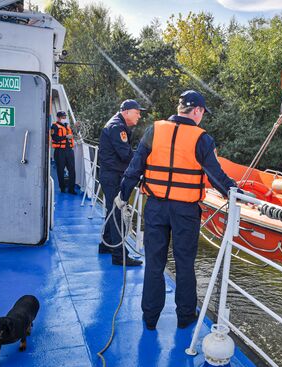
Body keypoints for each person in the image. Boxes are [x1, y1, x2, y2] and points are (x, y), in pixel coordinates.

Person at [117, 90, 238, 330]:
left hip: (155, 208)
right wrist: (234, 191)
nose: (202, 117)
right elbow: (216, 176)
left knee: (154, 263)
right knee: (184, 263)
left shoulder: (154, 130)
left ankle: (150, 318)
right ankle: (185, 317)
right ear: (197, 111)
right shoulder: (201, 138)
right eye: (202, 112)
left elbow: (134, 167)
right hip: (185, 211)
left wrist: (123, 195)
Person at [97, 99, 145, 266]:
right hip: (113, 176)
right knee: (117, 214)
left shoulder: (116, 124)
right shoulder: (117, 127)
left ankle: (105, 245)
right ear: (126, 111)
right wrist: (142, 165)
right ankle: (119, 256)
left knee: (112, 210)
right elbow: (125, 154)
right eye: (137, 111)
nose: (139, 115)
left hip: (109, 174)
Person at [51, 111, 77, 195]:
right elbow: (55, 138)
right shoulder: (54, 126)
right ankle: (62, 188)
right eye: (63, 117)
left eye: (65, 117)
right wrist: (65, 137)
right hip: (59, 151)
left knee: (72, 170)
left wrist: (77, 127)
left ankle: (71, 189)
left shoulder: (67, 126)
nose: (64, 118)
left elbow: (72, 134)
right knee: (60, 170)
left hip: (69, 150)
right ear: (58, 118)